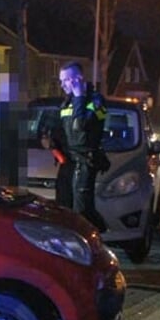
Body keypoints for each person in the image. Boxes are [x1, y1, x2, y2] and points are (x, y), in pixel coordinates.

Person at [46, 61, 109, 231]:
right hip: (68, 162)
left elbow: (80, 126)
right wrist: (52, 143)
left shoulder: (96, 101)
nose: (62, 84)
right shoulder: (66, 102)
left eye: (66, 80)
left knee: (82, 211)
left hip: (84, 162)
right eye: (61, 80)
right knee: (63, 206)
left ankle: (96, 237)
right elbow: (61, 130)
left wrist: (80, 96)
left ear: (78, 79)